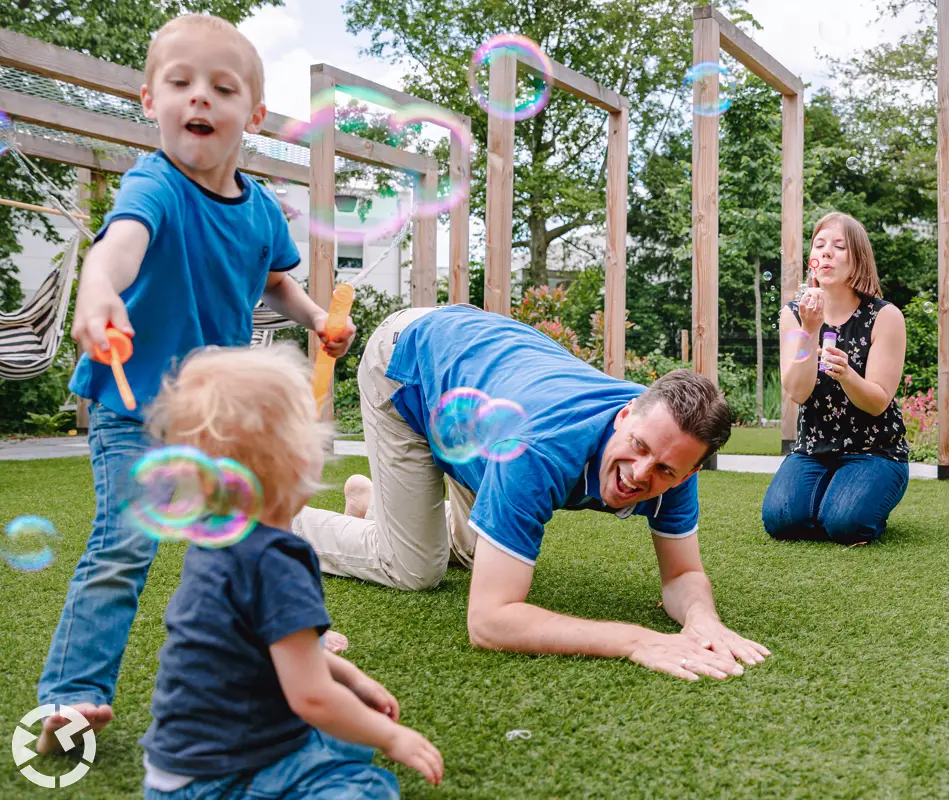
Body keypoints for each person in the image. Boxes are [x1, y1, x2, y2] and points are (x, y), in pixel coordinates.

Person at [36, 14, 356, 754]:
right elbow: (118, 248)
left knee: (256, 531)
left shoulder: (262, 209)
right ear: (150, 101)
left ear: (256, 115)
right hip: (133, 406)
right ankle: (72, 695)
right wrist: (97, 296)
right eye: (180, 84)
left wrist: (314, 318)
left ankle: (291, 639)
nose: (198, 99)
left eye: (221, 87)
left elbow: (274, 278)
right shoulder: (154, 185)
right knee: (124, 548)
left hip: (219, 414)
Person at [292, 305, 771, 681]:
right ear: (626, 414)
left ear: (686, 473)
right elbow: (489, 622)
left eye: (664, 470)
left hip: (483, 381)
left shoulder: (672, 450)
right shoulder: (540, 450)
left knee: (472, 549)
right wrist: (635, 640)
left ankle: (374, 503)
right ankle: (283, 524)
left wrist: (701, 618)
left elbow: (682, 574)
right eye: (638, 447)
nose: (639, 476)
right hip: (410, 360)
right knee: (416, 568)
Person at [138, 345, 442, 799]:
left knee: (353, 717)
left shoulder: (216, 544)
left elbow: (254, 649)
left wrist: (351, 677)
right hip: (226, 776)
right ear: (301, 462)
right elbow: (312, 698)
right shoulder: (279, 561)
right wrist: (394, 739)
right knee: (367, 786)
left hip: (177, 769)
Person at [762, 211, 910, 545]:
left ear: (858, 259)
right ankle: (836, 503)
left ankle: (852, 508)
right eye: (819, 244)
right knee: (781, 521)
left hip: (875, 451)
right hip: (813, 450)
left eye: (839, 246)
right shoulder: (793, 315)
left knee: (847, 525)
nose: (826, 252)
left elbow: (877, 403)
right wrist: (810, 329)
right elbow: (798, 392)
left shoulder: (885, 317)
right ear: (812, 260)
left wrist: (847, 376)